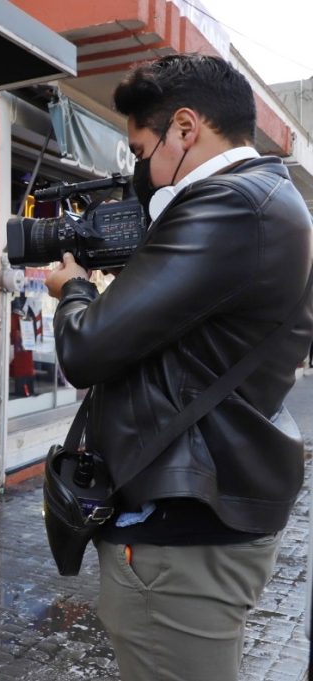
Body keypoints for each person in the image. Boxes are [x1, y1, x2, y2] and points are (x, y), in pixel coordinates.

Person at [44, 54, 313, 681]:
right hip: (199, 507)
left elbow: (85, 351)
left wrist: (76, 291)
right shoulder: (267, 199)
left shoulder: (230, 203)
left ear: (186, 128)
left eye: (142, 150)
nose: (142, 171)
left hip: (185, 532)